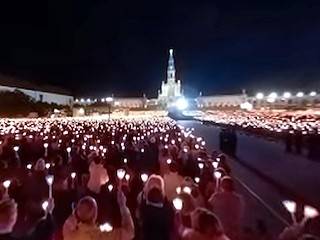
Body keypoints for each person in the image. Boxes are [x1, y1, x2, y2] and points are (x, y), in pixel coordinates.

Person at [63, 190, 134, 240]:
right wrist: (123, 206)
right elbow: (129, 232)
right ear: (95, 214)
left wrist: (75, 213)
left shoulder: (69, 236)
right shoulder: (104, 237)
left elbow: (68, 224)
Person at [136, 174, 174, 240]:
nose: (155, 187)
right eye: (153, 185)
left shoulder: (167, 205)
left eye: (157, 185)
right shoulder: (142, 201)